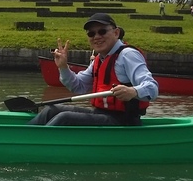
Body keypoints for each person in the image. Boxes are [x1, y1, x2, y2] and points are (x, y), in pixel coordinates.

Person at [29, 13, 158, 126]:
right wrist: (63, 67)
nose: (96, 37)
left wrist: (133, 91)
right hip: (102, 115)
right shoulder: (99, 59)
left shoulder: (128, 55)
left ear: (116, 33)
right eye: (91, 33)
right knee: (51, 110)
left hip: (123, 121)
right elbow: (78, 86)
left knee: (65, 118)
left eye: (102, 31)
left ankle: (31, 146)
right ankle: (25, 136)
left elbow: (152, 88)